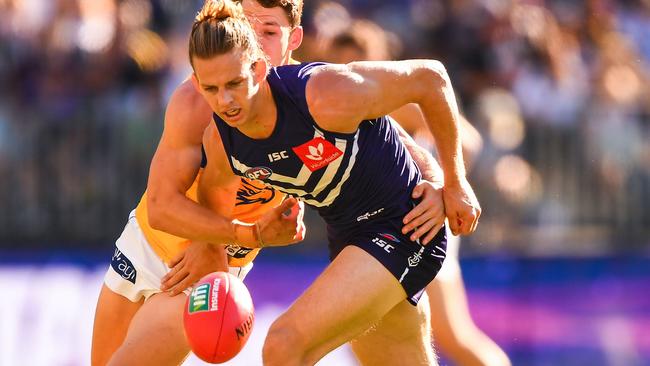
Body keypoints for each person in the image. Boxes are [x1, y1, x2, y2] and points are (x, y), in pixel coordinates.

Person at [91, 1, 446, 365]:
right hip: (147, 246)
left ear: (295, 39)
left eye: (270, 32)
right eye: (248, 26)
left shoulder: (313, 93)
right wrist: (217, 235)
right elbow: (164, 205)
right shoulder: (200, 99)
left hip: (205, 271)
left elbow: (394, 135)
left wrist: (438, 182)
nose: (256, 41)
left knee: (286, 346)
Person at [324, 21, 511, 366]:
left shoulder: (389, 99)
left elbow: (469, 142)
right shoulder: (331, 106)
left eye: (355, 62)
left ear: (378, 60)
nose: (346, 74)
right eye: (339, 65)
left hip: (420, 225)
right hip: (387, 230)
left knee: (453, 335)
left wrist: (444, 186)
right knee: (368, 336)